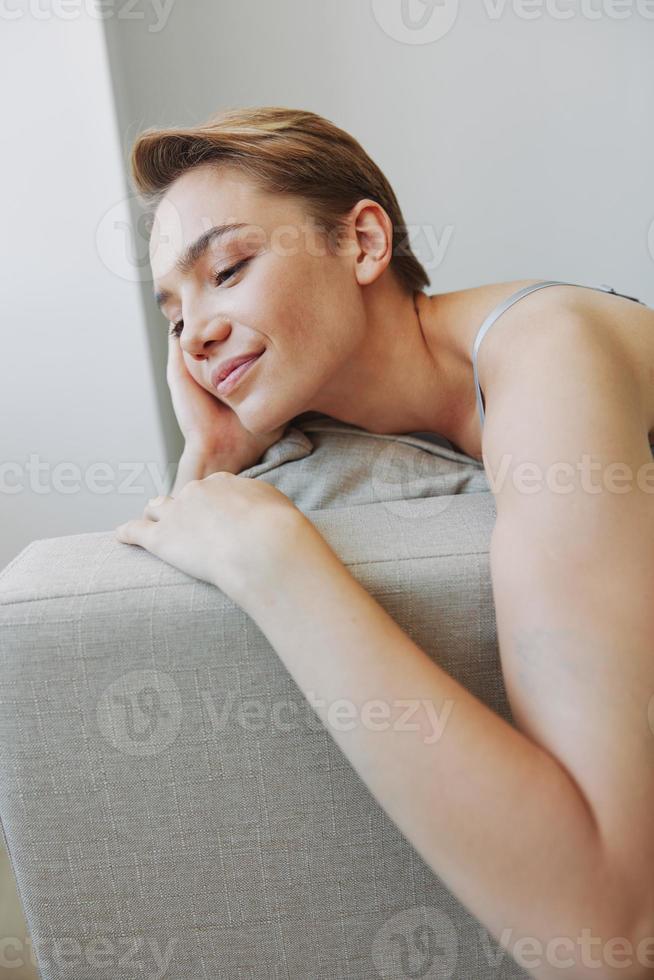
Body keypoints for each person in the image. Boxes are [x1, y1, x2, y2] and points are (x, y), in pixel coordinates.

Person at [122, 105, 654, 977]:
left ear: (363, 243)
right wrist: (211, 457)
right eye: (172, 316)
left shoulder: (551, 357)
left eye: (228, 268)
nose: (198, 336)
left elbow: (607, 932)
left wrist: (277, 561)